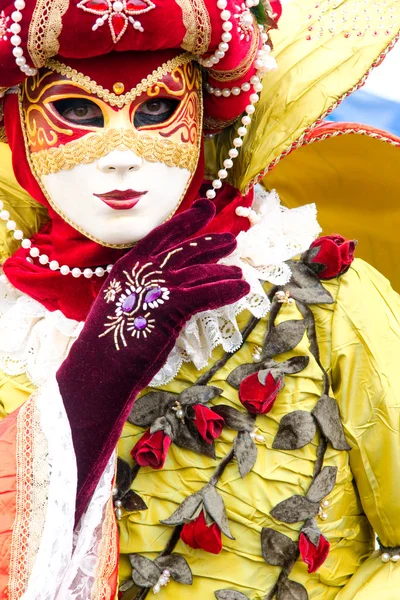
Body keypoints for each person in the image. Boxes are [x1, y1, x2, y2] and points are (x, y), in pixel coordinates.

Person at [0, 0, 399, 598]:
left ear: (211, 116)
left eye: (158, 109)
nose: (120, 154)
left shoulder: (326, 297)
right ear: (15, 125)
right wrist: (94, 376)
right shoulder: (14, 332)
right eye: (76, 110)